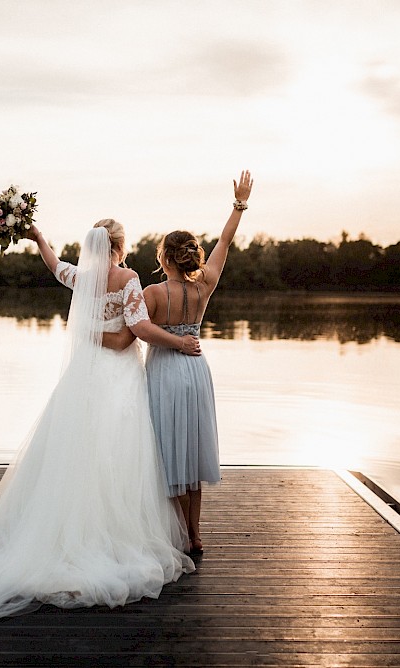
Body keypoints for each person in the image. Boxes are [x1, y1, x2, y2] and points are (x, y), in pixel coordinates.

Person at [0, 219, 197, 667]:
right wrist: (179, 344)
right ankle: (107, 537)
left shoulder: (82, 279)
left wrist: (37, 238)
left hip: (82, 379)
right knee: (115, 456)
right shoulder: (129, 280)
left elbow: (56, 268)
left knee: (71, 453)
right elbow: (133, 334)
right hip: (117, 380)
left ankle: (56, 533)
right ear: (121, 247)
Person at [143, 170, 253, 556]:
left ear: (164, 257)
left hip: (165, 371)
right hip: (196, 370)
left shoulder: (153, 293)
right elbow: (225, 240)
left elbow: (141, 331)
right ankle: (195, 534)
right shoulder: (203, 285)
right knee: (190, 453)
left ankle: (176, 533)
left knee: (168, 452)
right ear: (189, 255)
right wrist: (239, 204)